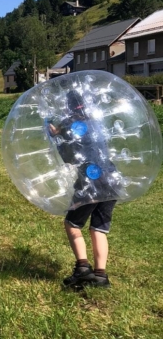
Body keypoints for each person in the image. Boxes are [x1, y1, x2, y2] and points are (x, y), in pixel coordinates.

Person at [47, 91, 118, 289]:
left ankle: (82, 269)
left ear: (69, 107)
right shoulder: (97, 121)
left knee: (72, 223)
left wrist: (55, 136)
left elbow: (69, 157)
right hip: (111, 178)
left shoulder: (72, 125)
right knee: (99, 229)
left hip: (91, 180)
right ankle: (101, 276)